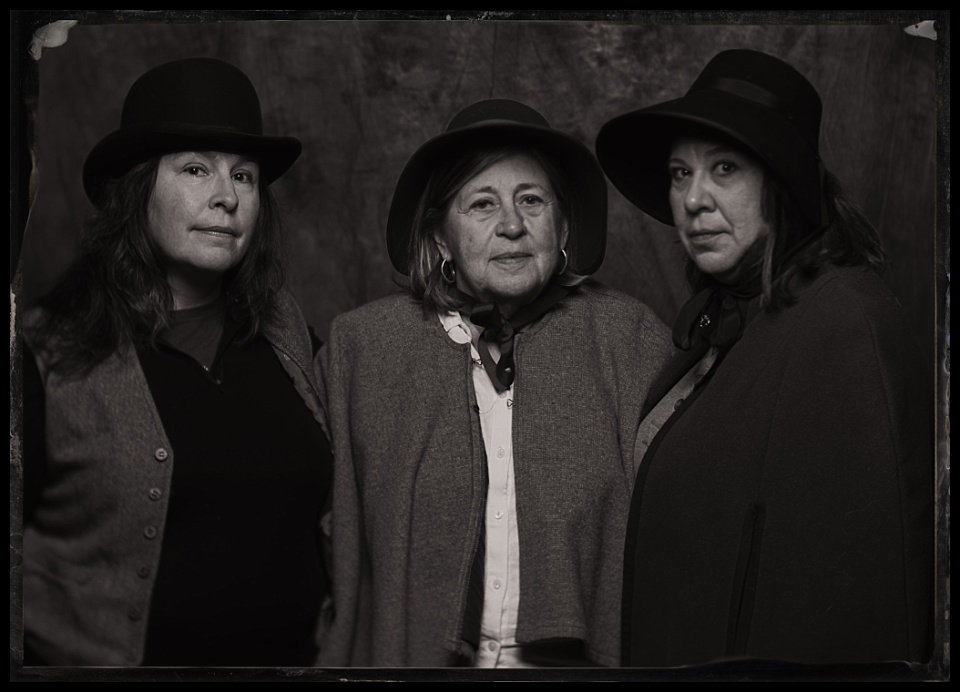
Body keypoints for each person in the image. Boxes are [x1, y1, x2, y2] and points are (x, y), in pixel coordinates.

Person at [595, 49, 933, 667]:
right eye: (679, 173)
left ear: (778, 183)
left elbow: (858, 611)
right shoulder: (723, 329)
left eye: (724, 168)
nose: (693, 199)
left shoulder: (844, 321)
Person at [318, 99, 673, 667]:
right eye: (482, 204)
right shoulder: (363, 350)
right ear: (439, 240)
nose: (511, 224)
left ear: (562, 225)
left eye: (531, 200)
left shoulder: (627, 339)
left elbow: (677, 538)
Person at [22, 57, 332, 666]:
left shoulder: (287, 329)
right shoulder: (51, 349)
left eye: (244, 178)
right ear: (138, 190)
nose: (225, 198)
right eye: (196, 170)